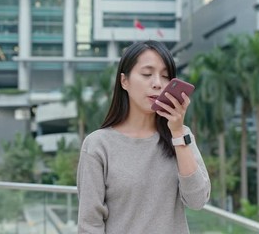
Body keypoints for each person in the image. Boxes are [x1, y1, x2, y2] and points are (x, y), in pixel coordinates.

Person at [76, 40, 211, 234]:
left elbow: (197, 201)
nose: (157, 84)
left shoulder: (182, 135)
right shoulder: (98, 145)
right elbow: (90, 225)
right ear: (125, 81)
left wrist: (177, 133)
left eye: (165, 77)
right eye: (147, 74)